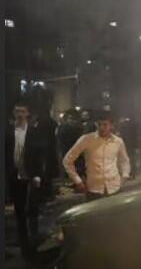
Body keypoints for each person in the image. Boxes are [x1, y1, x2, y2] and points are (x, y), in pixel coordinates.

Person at [5, 101, 58, 258]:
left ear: (27, 113)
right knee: (19, 211)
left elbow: (41, 155)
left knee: (33, 211)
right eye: (17, 111)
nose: (20, 114)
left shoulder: (35, 132)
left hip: (31, 176)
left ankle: (34, 244)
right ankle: (24, 247)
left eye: (23, 111)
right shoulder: (8, 131)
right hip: (14, 176)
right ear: (14, 113)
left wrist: (39, 175)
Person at [63, 111, 131, 202]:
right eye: (99, 124)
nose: (101, 128)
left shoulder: (118, 141)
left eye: (105, 124)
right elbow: (67, 160)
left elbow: (124, 160)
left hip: (115, 188)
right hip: (94, 190)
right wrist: (77, 181)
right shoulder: (86, 139)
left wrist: (125, 176)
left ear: (111, 126)